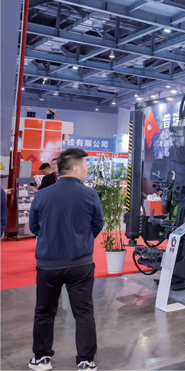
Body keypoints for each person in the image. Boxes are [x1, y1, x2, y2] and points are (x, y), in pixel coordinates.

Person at [28, 148, 104, 371]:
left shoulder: (42, 195)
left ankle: (41, 358)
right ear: (76, 168)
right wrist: (81, 239)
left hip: (47, 264)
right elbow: (97, 224)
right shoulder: (90, 194)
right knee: (84, 312)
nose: (87, 170)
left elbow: (34, 227)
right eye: (85, 166)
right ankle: (85, 361)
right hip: (81, 264)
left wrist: (50, 238)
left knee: (44, 311)